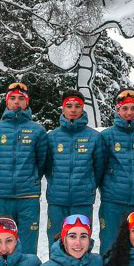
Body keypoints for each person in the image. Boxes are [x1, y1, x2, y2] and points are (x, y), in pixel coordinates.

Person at [0, 82, 50, 254]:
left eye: (21, 99)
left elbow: (42, 162)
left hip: (28, 197)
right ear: (6, 102)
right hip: (2, 196)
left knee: (27, 247)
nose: (17, 102)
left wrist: (31, 179)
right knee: (0, 244)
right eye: (13, 98)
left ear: (27, 102)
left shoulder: (38, 131)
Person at [98, 88, 134, 250]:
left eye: (133, 108)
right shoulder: (106, 136)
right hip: (112, 202)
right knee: (111, 245)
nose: (129, 112)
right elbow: (99, 168)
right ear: (117, 109)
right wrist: (108, 188)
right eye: (125, 108)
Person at [44, 91, 106, 241]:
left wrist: (88, 185)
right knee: (56, 239)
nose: (73, 109)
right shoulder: (52, 136)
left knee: (81, 241)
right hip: (57, 200)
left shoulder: (94, 137)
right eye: (69, 106)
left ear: (83, 109)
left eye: (77, 106)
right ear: (63, 108)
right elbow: (46, 166)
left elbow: (99, 168)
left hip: (82, 200)